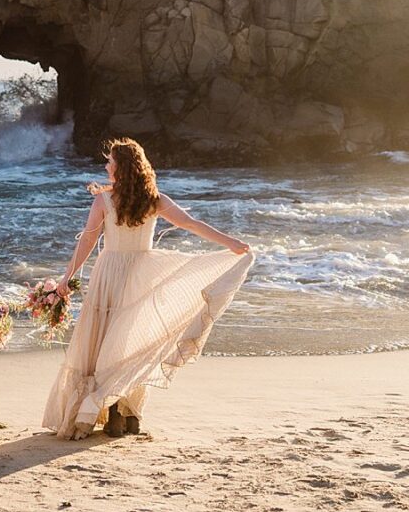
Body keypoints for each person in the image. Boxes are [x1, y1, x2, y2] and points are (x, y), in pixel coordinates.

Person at [41, 136, 253, 439]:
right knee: (129, 341)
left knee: (105, 341)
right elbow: (191, 223)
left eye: (110, 162)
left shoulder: (104, 200)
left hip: (110, 273)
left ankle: (111, 412)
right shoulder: (155, 199)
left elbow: (87, 240)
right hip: (141, 273)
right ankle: (125, 414)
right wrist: (229, 242)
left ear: (121, 168)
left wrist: (66, 277)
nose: (106, 165)